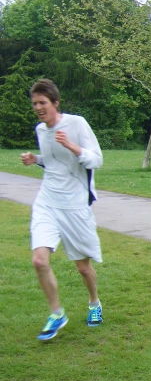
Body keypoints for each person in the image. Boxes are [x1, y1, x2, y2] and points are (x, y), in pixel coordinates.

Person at [20, 79, 104, 341]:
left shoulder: (76, 124)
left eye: (42, 103)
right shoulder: (40, 130)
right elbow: (54, 162)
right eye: (34, 103)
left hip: (74, 204)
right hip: (47, 201)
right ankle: (56, 314)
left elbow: (96, 159)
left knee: (82, 267)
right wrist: (37, 160)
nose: (38, 108)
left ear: (56, 103)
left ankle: (94, 303)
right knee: (39, 260)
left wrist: (72, 146)